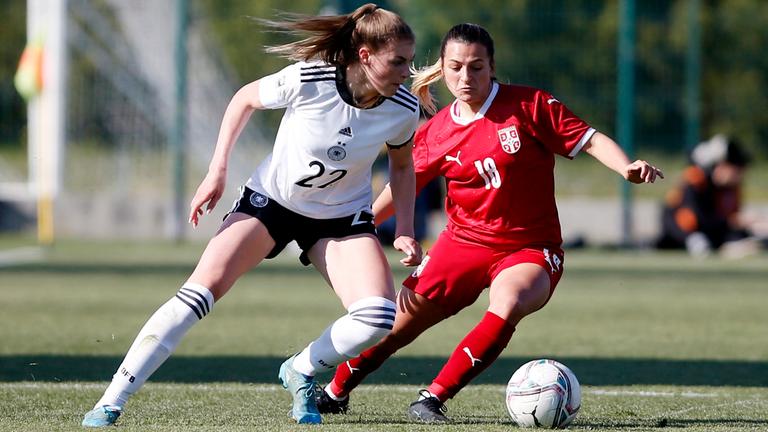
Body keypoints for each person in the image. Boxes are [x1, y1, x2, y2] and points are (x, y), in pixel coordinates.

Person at [82, 3, 423, 427]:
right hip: (272, 203)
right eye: (398, 61)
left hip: (340, 218)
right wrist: (217, 169)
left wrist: (404, 229)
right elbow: (244, 99)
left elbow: (403, 166)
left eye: (409, 61)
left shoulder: (403, 108)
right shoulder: (309, 78)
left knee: (377, 316)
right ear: (365, 55)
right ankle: (111, 401)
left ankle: (300, 368)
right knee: (196, 296)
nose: (407, 72)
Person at [314, 23, 664, 423]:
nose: (466, 77)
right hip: (461, 244)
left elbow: (591, 139)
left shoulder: (529, 106)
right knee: (397, 324)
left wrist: (626, 168)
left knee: (509, 301)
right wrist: (354, 229)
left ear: (492, 66)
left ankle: (432, 397)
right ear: (442, 69)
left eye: (477, 67)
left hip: (530, 247)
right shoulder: (435, 131)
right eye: (456, 67)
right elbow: (400, 188)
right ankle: (335, 391)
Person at [656, 134, 763, 258]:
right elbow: (690, 218)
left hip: (711, 233)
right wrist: (734, 222)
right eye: (736, 169)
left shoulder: (730, 189)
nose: (739, 176)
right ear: (722, 166)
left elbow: (726, 219)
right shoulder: (696, 179)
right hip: (684, 236)